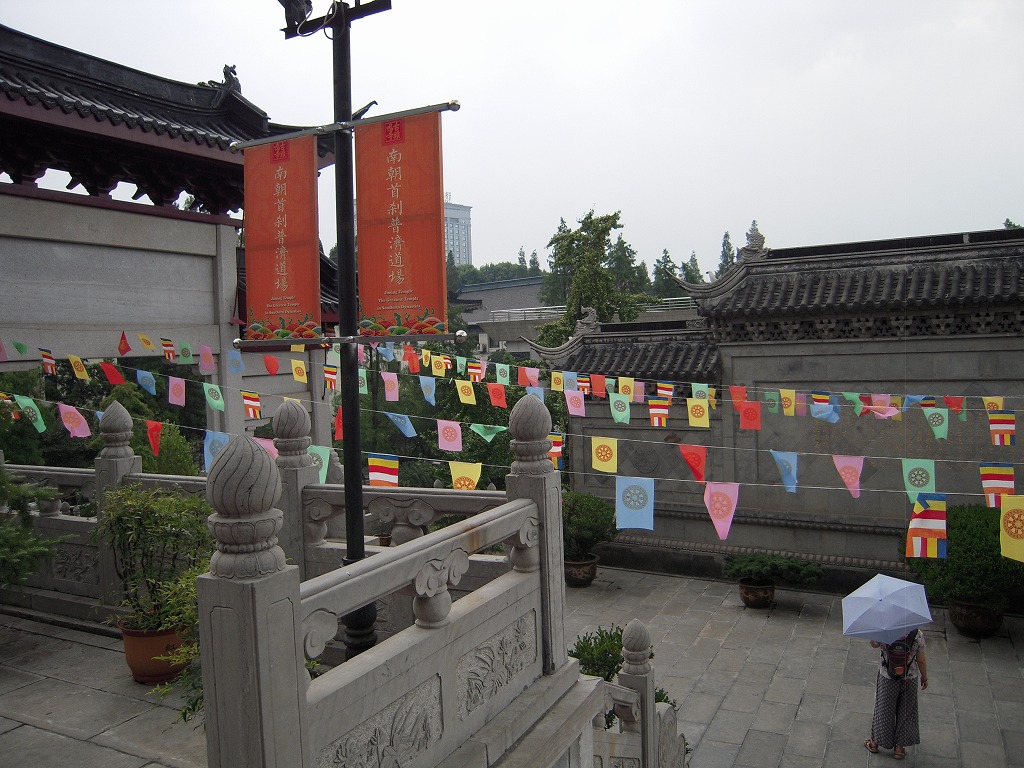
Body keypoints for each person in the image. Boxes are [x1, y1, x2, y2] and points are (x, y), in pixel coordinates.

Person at [864, 630, 928, 760]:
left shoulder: (885, 631)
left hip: (888, 677)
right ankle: (899, 748)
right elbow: (920, 660)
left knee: (884, 710)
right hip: (909, 678)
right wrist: (924, 677)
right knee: (906, 712)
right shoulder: (917, 634)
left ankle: (875, 743)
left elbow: (874, 644)